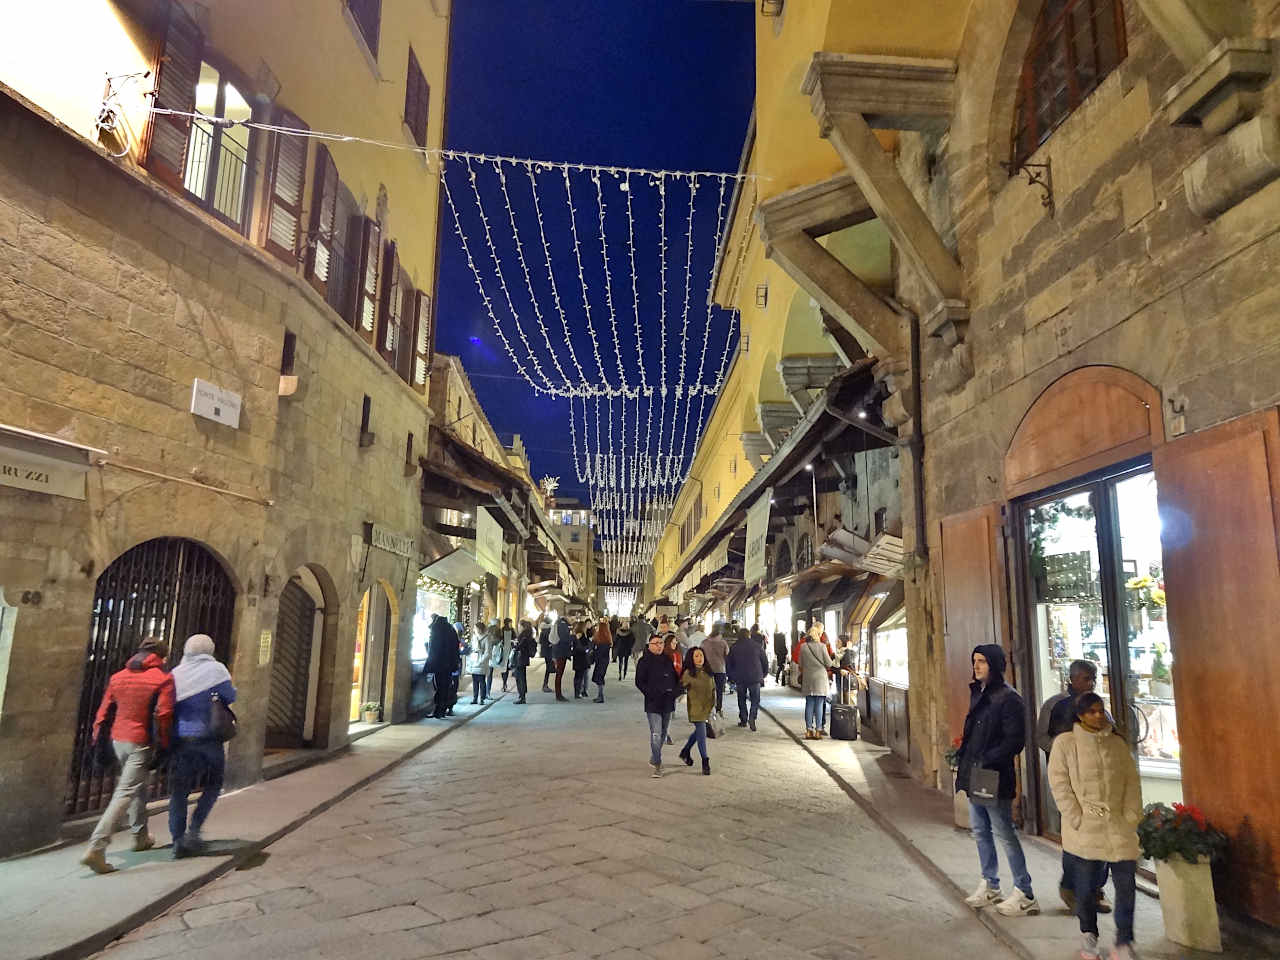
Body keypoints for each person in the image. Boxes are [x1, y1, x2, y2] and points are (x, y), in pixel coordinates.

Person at [1048, 692, 1141, 960]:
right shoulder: (1065, 744)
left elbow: (1131, 781)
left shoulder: (1116, 744)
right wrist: (1075, 816)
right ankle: (1088, 934)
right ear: (1080, 715)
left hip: (1119, 826)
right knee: (1086, 888)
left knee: (1125, 886)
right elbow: (1060, 783)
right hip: (1085, 828)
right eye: (1091, 711)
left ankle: (1124, 941)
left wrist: (1131, 814)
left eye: (1101, 710)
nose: (1098, 715)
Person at [80, 635, 175, 873]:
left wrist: (97, 739)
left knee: (137, 787)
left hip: (117, 738)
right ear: (161, 656)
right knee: (125, 792)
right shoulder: (162, 679)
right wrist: (164, 745)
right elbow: (164, 715)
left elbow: (103, 712)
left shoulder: (118, 677)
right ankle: (97, 847)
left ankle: (140, 837)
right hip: (140, 740)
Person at [956, 644, 1039, 917]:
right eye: (974, 661)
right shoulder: (979, 693)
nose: (976, 666)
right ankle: (991, 884)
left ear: (994, 664)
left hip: (994, 775)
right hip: (976, 773)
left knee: (1004, 832)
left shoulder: (1009, 699)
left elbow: (1015, 741)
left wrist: (986, 758)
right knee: (980, 831)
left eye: (981, 661)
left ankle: (1025, 892)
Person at [1038, 659, 1111, 913]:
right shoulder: (1055, 705)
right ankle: (1072, 888)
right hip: (1068, 782)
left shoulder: (1099, 708)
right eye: (1086, 678)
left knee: (1100, 836)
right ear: (1073, 679)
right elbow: (1041, 737)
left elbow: (1110, 736)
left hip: (1097, 783)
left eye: (1093, 678)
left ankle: (1095, 889)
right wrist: (1066, 757)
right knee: (1075, 836)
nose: (1090, 683)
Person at [168, 634, 236, 858]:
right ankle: (194, 830)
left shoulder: (176, 673)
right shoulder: (217, 670)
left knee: (179, 790)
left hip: (181, 739)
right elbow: (230, 695)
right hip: (209, 738)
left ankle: (177, 839)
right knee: (214, 784)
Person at [635, 632, 679, 777]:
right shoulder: (644, 661)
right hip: (653, 703)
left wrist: (675, 692)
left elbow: (674, 678)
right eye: (656, 644)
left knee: (664, 732)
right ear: (649, 645)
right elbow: (639, 682)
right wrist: (651, 693)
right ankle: (658, 764)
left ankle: (654, 757)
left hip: (667, 701)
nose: (659, 646)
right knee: (656, 733)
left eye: (661, 643)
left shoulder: (667, 659)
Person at [678, 647, 716, 775]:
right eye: (696, 656)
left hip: (708, 708)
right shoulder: (689, 673)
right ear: (691, 659)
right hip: (696, 708)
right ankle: (705, 762)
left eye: (701, 655)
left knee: (699, 733)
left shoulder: (708, 672)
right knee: (702, 733)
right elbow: (679, 685)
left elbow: (713, 690)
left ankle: (685, 751)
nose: (700, 658)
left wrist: (714, 706)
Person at [726, 624, 769, 731]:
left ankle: (744, 719)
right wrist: (763, 674)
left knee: (741, 699)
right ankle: (752, 717)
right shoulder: (757, 646)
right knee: (755, 700)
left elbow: (729, 663)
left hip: (739, 677)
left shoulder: (734, 647)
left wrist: (730, 676)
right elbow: (764, 661)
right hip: (755, 677)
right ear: (749, 635)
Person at [798, 625, 833, 739]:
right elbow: (829, 664)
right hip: (820, 679)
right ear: (818, 636)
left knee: (809, 704)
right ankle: (818, 731)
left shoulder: (803, 647)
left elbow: (800, 664)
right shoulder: (823, 647)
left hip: (808, 679)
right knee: (819, 705)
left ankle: (808, 731)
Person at [426, 615, 459, 719]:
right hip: (449, 666)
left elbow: (433, 650)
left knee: (439, 687)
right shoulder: (451, 630)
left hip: (439, 665)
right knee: (445, 687)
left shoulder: (437, 630)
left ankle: (438, 710)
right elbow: (455, 649)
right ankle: (443, 709)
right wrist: (454, 664)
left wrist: (429, 666)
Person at [700, 624, 729, 717]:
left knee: (708, 690)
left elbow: (700, 654)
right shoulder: (723, 643)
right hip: (720, 669)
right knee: (719, 691)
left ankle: (708, 710)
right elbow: (727, 654)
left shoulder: (704, 642)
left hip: (707, 670)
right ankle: (719, 709)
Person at [466, 624, 491, 704]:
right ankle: (475, 698)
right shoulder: (474, 637)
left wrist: (481, 660)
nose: (474, 629)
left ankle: (482, 698)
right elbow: (472, 648)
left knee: (481, 681)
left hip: (481, 662)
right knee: (475, 681)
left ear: (480, 629)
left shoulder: (486, 638)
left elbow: (488, 652)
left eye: (476, 628)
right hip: (474, 661)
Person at [512, 620, 536, 704]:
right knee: (522, 677)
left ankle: (522, 697)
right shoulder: (528, 634)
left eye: (519, 626)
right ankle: (522, 695)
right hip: (524, 659)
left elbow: (520, 647)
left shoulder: (524, 635)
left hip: (520, 659)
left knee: (520, 678)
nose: (518, 628)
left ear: (522, 626)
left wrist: (515, 644)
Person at [591, 617, 612, 702]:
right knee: (599, 678)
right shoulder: (606, 639)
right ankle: (600, 695)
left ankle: (601, 696)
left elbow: (599, 652)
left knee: (599, 678)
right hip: (604, 661)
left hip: (601, 661)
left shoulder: (601, 641)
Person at [553, 615, 572, 701]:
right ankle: (558, 695)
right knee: (559, 674)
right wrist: (572, 637)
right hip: (561, 653)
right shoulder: (563, 625)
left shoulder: (559, 624)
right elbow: (565, 639)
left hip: (558, 652)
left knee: (559, 674)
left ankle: (558, 694)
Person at [571, 621, 592, 698]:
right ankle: (578, 693)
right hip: (582, 658)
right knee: (580, 676)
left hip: (577, 658)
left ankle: (577, 692)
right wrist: (587, 649)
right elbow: (582, 646)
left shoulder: (576, 634)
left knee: (577, 676)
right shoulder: (581, 635)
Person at [488, 621, 508, 697]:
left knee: (489, 674)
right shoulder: (499, 631)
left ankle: (488, 692)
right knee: (503, 670)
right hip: (498, 656)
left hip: (491, 657)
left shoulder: (490, 632)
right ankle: (504, 684)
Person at [498, 618, 516, 693]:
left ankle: (504, 683)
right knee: (504, 668)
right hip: (504, 651)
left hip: (509, 651)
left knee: (507, 667)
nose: (511, 624)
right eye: (510, 622)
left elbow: (515, 639)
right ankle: (504, 683)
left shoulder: (512, 630)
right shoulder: (502, 630)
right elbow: (500, 639)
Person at [538, 618, 554, 693]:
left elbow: (540, 641)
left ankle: (545, 685)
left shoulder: (542, 631)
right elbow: (552, 640)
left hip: (544, 651)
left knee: (548, 668)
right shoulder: (550, 630)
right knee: (549, 668)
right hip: (549, 651)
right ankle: (545, 685)